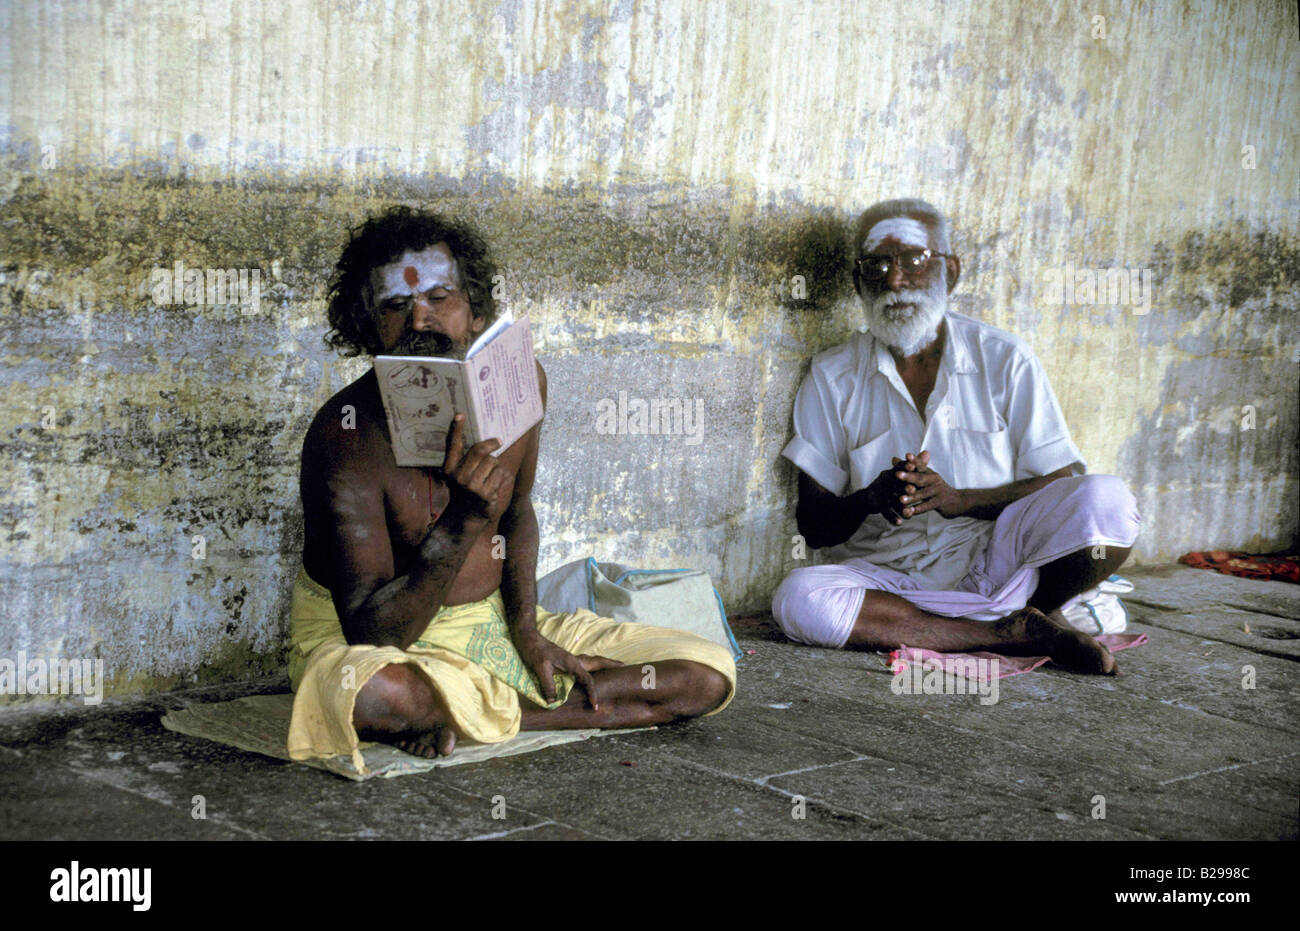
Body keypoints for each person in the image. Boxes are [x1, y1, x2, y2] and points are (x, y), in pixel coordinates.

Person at [289, 206, 734, 773]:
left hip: (493, 624)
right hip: (384, 648)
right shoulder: (344, 432)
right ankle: (521, 708)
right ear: (367, 326)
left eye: (440, 298)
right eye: (396, 306)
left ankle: (463, 714)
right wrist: (461, 523)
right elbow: (374, 630)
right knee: (371, 692)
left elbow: (519, 512)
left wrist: (527, 631)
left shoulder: (520, 383)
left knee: (704, 674)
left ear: (475, 311)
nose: (420, 320)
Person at [772, 198, 1140, 673]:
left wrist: (960, 500)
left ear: (951, 270)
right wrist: (870, 498)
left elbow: (1062, 478)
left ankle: (1036, 606)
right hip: (889, 579)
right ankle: (1010, 631)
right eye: (877, 265)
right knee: (797, 600)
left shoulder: (1004, 358)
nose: (895, 280)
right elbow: (814, 524)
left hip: (999, 560)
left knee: (1107, 500)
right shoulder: (830, 375)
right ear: (857, 281)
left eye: (913, 261)